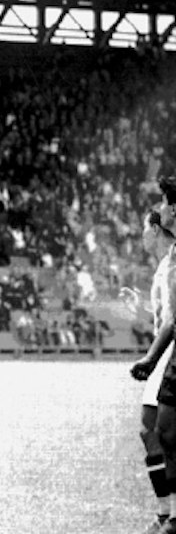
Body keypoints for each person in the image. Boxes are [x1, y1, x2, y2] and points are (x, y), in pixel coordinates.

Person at [131, 199, 176, 534]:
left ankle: (168, 513)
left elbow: (171, 320)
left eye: (145, 228)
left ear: (156, 229)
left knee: (157, 429)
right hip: (165, 349)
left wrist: (151, 357)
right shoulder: (164, 265)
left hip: (170, 352)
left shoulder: (171, 262)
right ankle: (166, 513)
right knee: (155, 431)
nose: (142, 235)